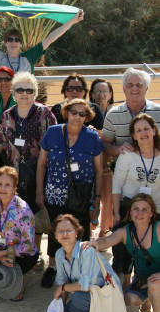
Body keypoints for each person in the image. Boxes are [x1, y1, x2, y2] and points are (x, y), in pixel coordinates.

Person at [36, 99, 104, 288]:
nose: (77, 117)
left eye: (82, 114)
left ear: (87, 117)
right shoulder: (53, 132)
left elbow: (99, 171)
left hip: (81, 195)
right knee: (55, 231)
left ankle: (78, 269)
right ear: (67, 113)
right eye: (74, 112)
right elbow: (42, 163)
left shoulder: (92, 137)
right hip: (54, 193)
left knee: (80, 231)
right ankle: (54, 267)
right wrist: (39, 192)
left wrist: (97, 200)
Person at [0, 71, 56, 214]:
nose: (24, 94)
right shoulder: (7, 115)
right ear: (14, 92)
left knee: (36, 217)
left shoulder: (45, 114)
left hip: (38, 173)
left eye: (29, 90)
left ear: (35, 93)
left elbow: (53, 146)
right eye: (20, 90)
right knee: (15, 216)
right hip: (13, 174)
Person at [52, 214, 122, 312]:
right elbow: (63, 281)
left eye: (69, 230)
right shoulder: (59, 254)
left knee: (79, 296)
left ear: (77, 233)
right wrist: (60, 308)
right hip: (89, 296)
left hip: (104, 295)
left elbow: (84, 286)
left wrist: (62, 288)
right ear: (56, 236)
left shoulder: (86, 251)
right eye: (61, 231)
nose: (65, 234)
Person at [0, 10, 84, 73]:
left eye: (17, 40)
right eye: (10, 40)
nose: (13, 42)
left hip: (25, 98)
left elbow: (52, 37)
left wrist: (73, 20)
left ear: (21, 43)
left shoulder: (29, 56)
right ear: (5, 43)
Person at [112, 114, 160, 289]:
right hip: (128, 209)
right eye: (138, 130)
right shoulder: (127, 156)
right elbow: (116, 185)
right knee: (123, 249)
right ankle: (125, 280)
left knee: (152, 249)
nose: (143, 133)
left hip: (155, 211)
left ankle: (149, 285)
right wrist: (117, 212)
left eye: (146, 128)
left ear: (154, 131)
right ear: (133, 135)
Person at [0, 166, 39, 301]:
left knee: (12, 292)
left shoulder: (24, 210)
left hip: (22, 254)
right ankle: (8, 274)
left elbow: (28, 244)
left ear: (15, 187)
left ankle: (22, 281)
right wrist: (0, 257)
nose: (3, 188)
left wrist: (2, 254)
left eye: (8, 185)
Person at [102, 68, 160, 157]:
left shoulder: (158, 112)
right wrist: (118, 149)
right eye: (130, 85)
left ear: (146, 88)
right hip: (124, 169)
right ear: (124, 89)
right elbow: (105, 145)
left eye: (139, 85)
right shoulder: (113, 115)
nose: (134, 88)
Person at [89, 78, 115, 237]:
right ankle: (90, 230)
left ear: (110, 94)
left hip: (109, 163)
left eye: (104, 91)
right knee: (92, 198)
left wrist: (98, 133)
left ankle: (104, 231)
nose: (101, 94)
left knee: (109, 199)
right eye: (97, 91)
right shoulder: (88, 112)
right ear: (91, 94)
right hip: (91, 164)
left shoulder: (116, 112)